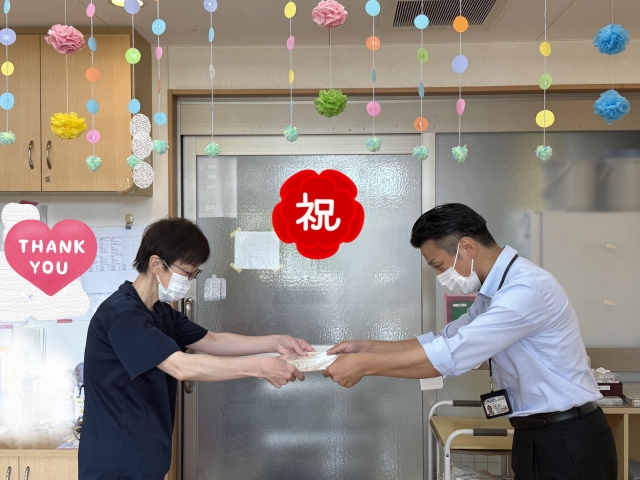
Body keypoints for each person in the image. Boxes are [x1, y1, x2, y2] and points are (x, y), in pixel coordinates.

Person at [323, 203, 617, 479]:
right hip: (534, 434)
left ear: (467, 247)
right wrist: (366, 348)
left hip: (567, 438)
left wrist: (364, 365)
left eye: (439, 265)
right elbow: (445, 338)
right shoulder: (493, 293)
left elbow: (453, 354)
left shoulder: (525, 289)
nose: (440, 275)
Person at [79, 218, 313, 480]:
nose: (189, 280)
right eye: (187, 273)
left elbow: (212, 341)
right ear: (155, 264)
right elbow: (180, 366)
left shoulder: (161, 313)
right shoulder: (122, 314)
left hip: (145, 457)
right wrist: (260, 367)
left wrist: (276, 342)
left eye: (194, 274)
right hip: (115, 462)